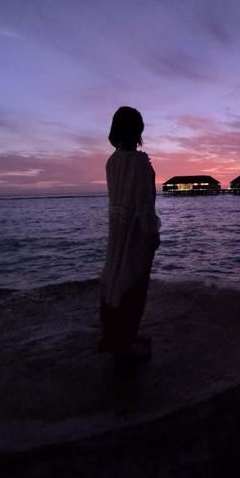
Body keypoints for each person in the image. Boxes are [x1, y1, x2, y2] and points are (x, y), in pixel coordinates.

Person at [99, 106, 160, 374]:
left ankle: (119, 337)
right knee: (135, 285)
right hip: (136, 231)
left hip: (116, 228)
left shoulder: (111, 162)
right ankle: (125, 344)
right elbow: (144, 205)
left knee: (115, 278)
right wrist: (151, 234)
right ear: (139, 132)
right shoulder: (141, 165)